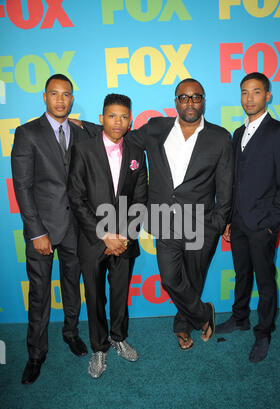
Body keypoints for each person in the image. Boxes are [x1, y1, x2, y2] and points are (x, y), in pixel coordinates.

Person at [78, 78, 234, 350]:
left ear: (203, 100)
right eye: (183, 97)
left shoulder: (220, 137)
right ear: (176, 102)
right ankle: (202, 314)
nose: (190, 102)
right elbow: (119, 134)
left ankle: (183, 326)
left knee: (193, 279)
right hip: (163, 218)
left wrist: (218, 222)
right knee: (171, 278)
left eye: (195, 97)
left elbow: (226, 184)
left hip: (201, 221)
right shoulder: (156, 128)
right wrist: (88, 125)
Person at [11, 74, 92, 385]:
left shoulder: (81, 133)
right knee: (39, 293)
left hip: (75, 228)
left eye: (66, 94)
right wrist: (36, 232)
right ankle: (35, 353)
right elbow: (23, 187)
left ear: (72, 98)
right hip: (42, 229)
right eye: (54, 94)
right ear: (44, 96)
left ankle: (71, 333)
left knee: (73, 285)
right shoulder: (27, 133)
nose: (61, 100)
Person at [215, 72, 280, 362]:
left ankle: (263, 332)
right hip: (237, 222)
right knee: (241, 275)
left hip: (262, 225)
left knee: (264, 282)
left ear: (268, 96)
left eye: (256, 92)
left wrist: (272, 225)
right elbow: (235, 181)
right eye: (244, 93)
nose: (249, 98)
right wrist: (228, 219)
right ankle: (239, 319)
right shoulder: (237, 134)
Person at [67, 94, 147, 379]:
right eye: (112, 116)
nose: (118, 122)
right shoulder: (83, 150)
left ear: (130, 120)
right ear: (101, 118)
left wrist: (123, 236)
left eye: (124, 116)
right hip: (93, 240)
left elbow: (140, 198)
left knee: (119, 293)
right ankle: (99, 348)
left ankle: (118, 338)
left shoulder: (137, 152)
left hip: (124, 239)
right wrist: (104, 235)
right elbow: (76, 198)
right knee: (95, 295)